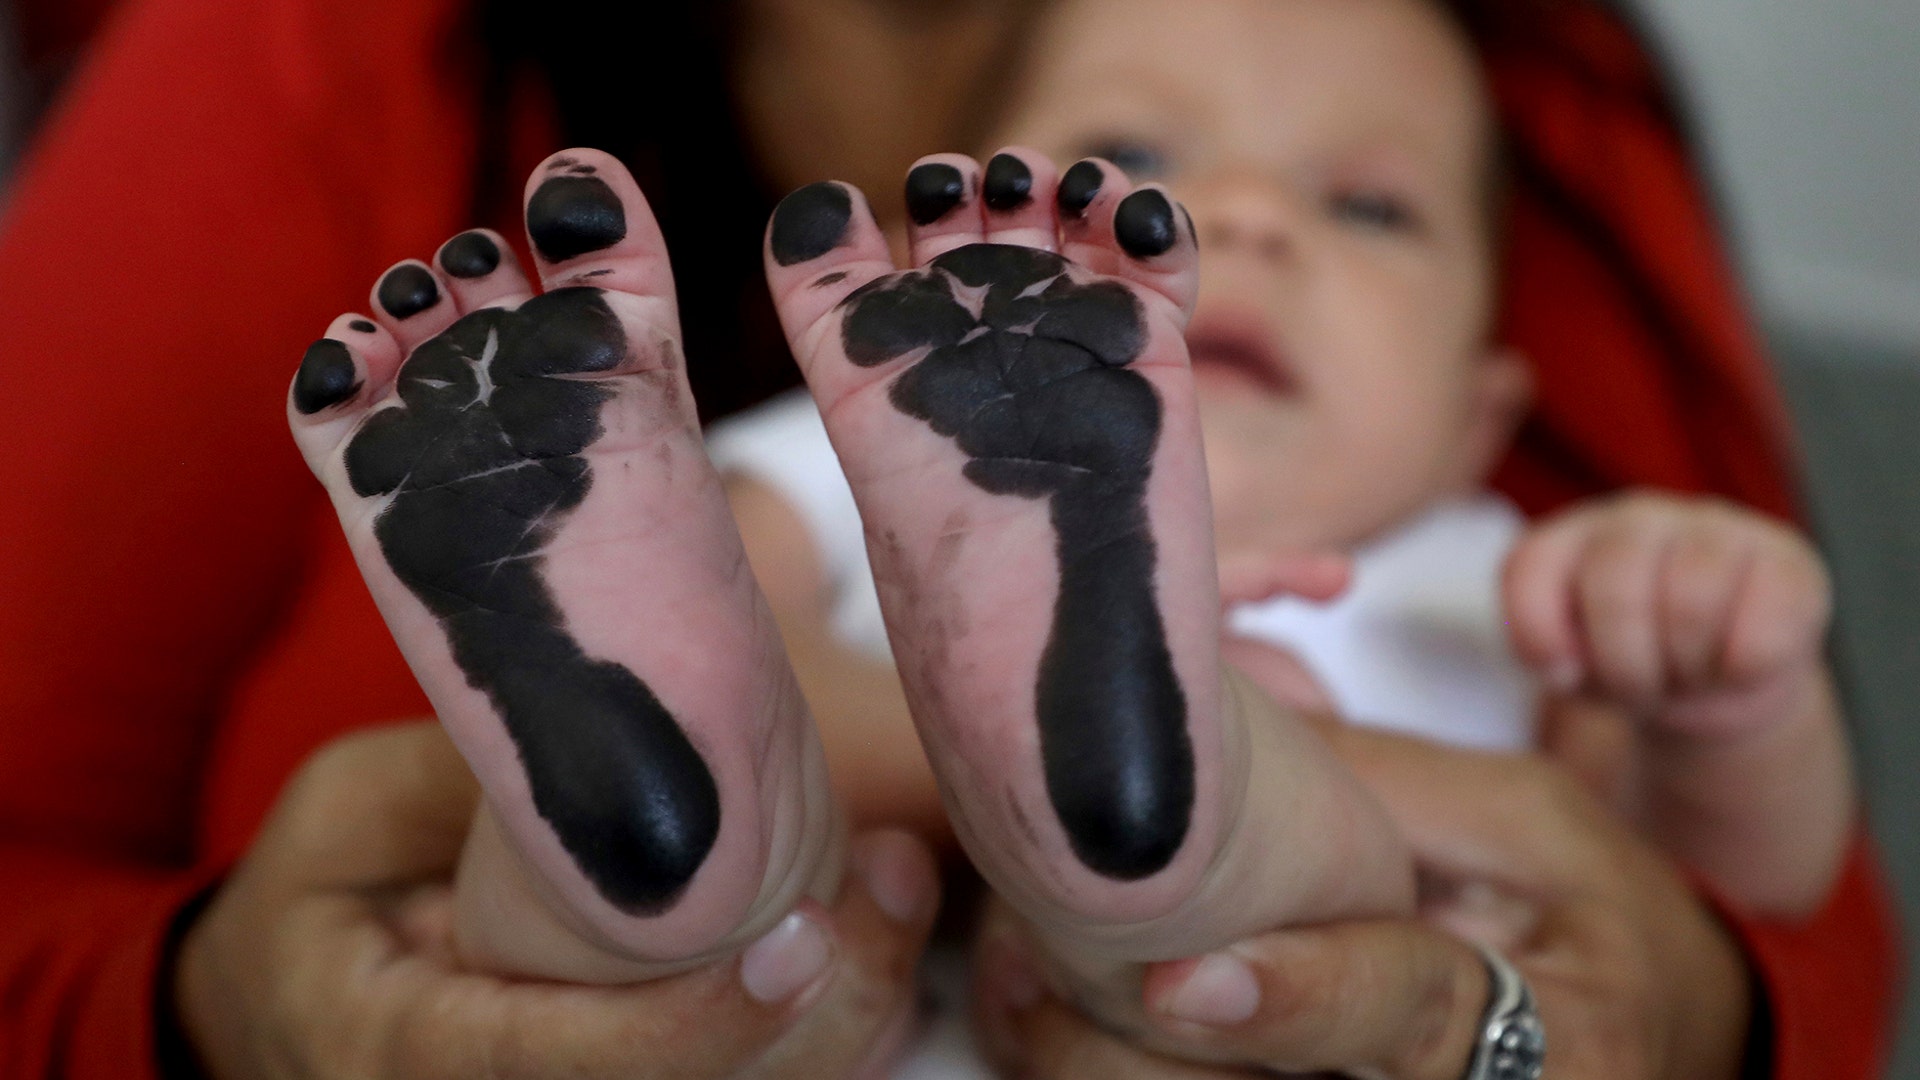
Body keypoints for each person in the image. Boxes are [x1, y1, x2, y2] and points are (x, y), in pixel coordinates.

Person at [0, 0, 1896, 1076]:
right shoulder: (864, 448)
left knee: (1320, 848)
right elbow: (732, 568)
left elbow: (1757, 905)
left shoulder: (1494, 564)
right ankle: (691, 797)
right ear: (937, 280)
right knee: (601, 907)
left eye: (1374, 211)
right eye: (1135, 174)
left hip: (1222, 999)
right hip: (802, 1005)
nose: (1252, 211)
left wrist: (1726, 690)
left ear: (1495, 397)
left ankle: (1111, 793)